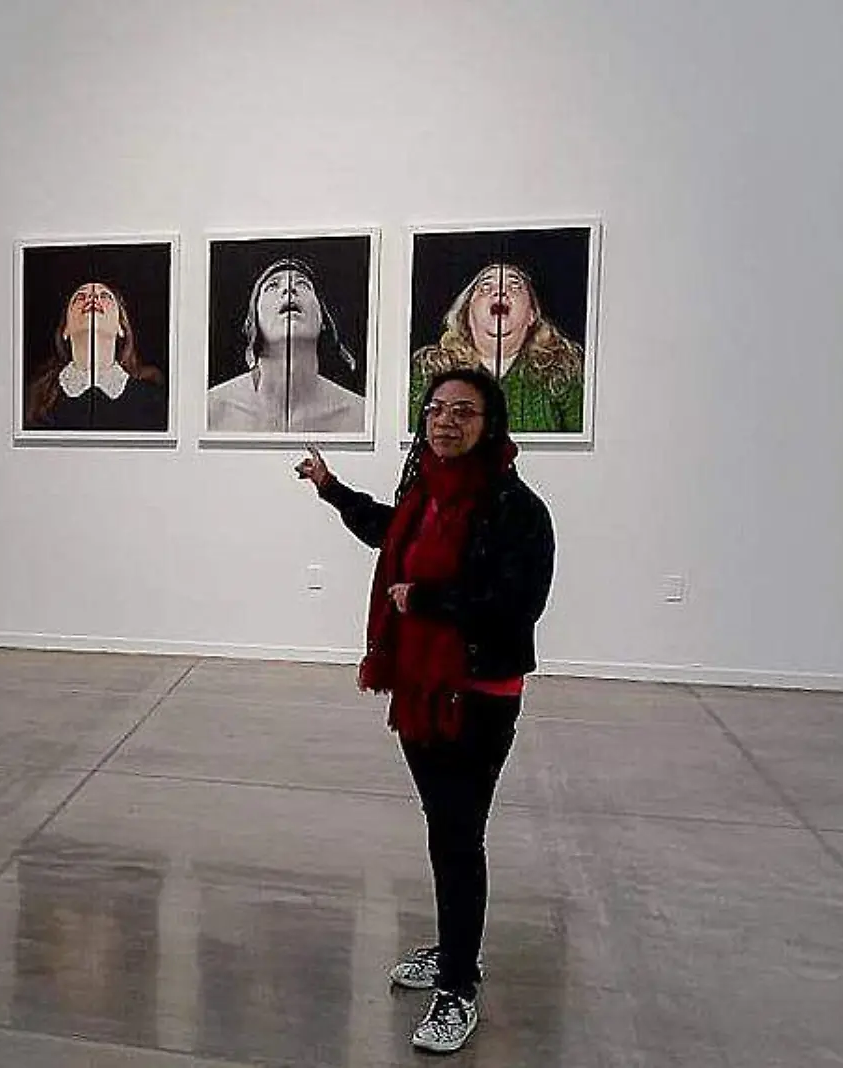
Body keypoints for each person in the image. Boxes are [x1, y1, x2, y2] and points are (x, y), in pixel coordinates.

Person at [295, 368, 555, 1055]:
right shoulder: (425, 495)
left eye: (464, 412)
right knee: (446, 828)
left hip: (478, 693)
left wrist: (430, 601)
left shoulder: (516, 508)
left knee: (458, 833)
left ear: (490, 423)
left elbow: (515, 605)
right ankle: (453, 949)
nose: (446, 422)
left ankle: (458, 987)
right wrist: (331, 490)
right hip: (417, 686)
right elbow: (388, 532)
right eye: (437, 410)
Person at [410, 263, 585, 434]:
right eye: (486, 287)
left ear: (532, 315)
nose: (501, 292)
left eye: (515, 287)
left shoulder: (563, 369)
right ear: (467, 313)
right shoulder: (429, 369)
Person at [208, 258, 365, 435]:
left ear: (324, 320)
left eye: (303, 284)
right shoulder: (212, 409)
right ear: (254, 319)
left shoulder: (361, 415)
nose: (288, 289)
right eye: (272, 286)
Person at [26, 281, 168, 432]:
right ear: (65, 330)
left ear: (121, 328)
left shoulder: (154, 400)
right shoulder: (31, 400)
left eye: (105, 296)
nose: (92, 298)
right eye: (80, 297)